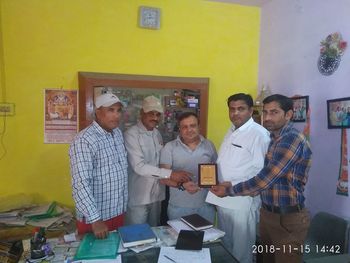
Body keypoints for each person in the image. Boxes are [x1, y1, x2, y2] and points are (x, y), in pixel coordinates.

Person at [211, 94, 312, 263]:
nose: (268, 117)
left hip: (287, 217)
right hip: (268, 213)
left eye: (274, 112)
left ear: (288, 115)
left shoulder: (290, 139)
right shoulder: (273, 138)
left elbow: (264, 179)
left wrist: (229, 189)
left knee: (245, 253)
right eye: (265, 112)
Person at [205, 93, 270, 263]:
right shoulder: (232, 130)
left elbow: (261, 172)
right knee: (225, 244)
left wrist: (230, 185)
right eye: (232, 109)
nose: (235, 113)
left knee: (242, 251)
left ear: (250, 111)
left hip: (242, 201)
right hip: (223, 199)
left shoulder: (259, 134)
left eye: (240, 109)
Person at [124, 95, 191, 226]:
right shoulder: (131, 135)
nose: (155, 118)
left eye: (157, 114)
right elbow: (139, 167)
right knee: (137, 238)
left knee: (155, 233)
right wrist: (171, 174)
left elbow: (160, 162)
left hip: (156, 196)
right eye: (150, 113)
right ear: (141, 113)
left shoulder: (157, 133)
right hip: (139, 197)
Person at [69, 93, 128, 239]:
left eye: (118, 110)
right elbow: (80, 183)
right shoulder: (84, 140)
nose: (116, 115)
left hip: (117, 211)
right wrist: (95, 219)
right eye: (110, 110)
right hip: (96, 219)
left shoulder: (117, 134)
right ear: (98, 112)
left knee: (116, 255)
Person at [160, 112, 217, 222]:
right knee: (181, 239)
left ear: (198, 126)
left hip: (206, 206)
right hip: (179, 207)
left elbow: (216, 172)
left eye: (192, 126)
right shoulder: (169, 147)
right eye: (184, 127)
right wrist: (182, 185)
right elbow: (163, 178)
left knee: (207, 239)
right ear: (179, 129)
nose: (189, 130)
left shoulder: (209, 145)